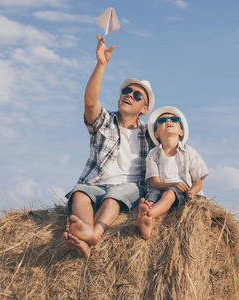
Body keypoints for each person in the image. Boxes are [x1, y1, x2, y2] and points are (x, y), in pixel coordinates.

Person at [62, 34, 156, 258]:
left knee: (116, 194)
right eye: (125, 92)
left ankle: (95, 233)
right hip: (95, 185)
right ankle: (85, 236)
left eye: (136, 95)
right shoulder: (104, 122)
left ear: (145, 108)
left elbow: (172, 151)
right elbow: (90, 102)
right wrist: (101, 64)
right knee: (79, 193)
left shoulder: (150, 134)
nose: (129, 96)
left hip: (129, 188)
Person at [137, 106, 209, 240]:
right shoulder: (153, 154)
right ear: (156, 134)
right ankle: (146, 221)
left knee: (170, 194)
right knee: (151, 196)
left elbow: (198, 183)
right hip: (161, 188)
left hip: (183, 192)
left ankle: (148, 215)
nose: (168, 121)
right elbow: (155, 183)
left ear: (181, 132)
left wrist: (192, 192)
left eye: (174, 119)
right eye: (163, 120)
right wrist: (174, 183)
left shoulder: (189, 152)